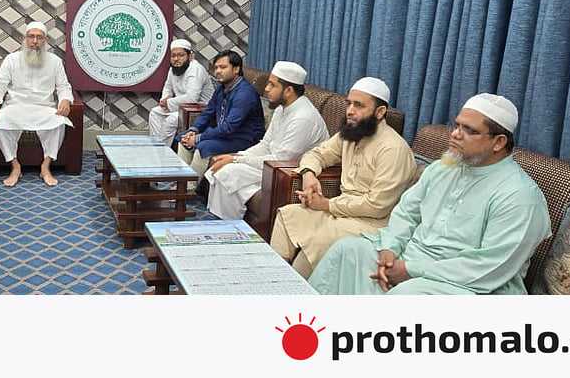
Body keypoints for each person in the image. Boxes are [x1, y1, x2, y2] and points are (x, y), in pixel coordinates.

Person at [308, 93, 550, 295]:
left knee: (406, 295)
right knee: (348, 250)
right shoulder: (444, 167)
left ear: (498, 142)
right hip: (410, 257)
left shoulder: (519, 196)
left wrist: (410, 270)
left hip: (468, 285)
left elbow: (490, 266)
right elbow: (407, 212)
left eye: (469, 130)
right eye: (457, 125)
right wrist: (390, 250)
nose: (455, 134)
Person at [268, 77, 417, 276]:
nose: (350, 111)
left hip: (371, 224)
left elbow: (377, 206)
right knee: (287, 215)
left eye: (359, 105)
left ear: (380, 112)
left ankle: (294, 289)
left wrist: (326, 205)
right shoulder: (351, 133)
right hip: (340, 212)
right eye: (349, 104)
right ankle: (273, 277)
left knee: (315, 245)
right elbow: (316, 154)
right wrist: (308, 174)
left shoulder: (393, 149)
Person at [205, 61, 328, 220]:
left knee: (229, 173)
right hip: (271, 165)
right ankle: (223, 223)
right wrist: (237, 156)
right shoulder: (281, 109)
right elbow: (265, 144)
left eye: (272, 85)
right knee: (225, 170)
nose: (266, 89)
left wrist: (235, 160)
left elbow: (281, 160)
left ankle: (228, 225)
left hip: (288, 173)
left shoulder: (303, 118)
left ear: (288, 90)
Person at [0, 22, 74, 187]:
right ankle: (15, 166)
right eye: (31, 36)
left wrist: (65, 99)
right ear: (25, 39)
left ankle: (45, 167)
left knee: (59, 122)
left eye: (39, 37)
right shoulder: (11, 59)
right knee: (0, 121)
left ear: (45, 40)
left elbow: (63, 86)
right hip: (15, 107)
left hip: (44, 107)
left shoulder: (55, 61)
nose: (35, 41)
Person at [177, 50, 265, 178]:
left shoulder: (245, 94)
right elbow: (208, 112)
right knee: (183, 139)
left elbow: (229, 127)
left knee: (204, 146)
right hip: (225, 136)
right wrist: (193, 130)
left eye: (223, 67)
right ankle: (180, 181)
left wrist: (198, 138)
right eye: (216, 67)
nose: (218, 71)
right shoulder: (222, 88)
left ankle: (190, 186)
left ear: (236, 69)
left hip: (243, 139)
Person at [147, 39, 215, 144]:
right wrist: (164, 99)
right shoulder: (173, 69)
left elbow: (192, 98)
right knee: (155, 113)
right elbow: (168, 87)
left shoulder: (196, 70)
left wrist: (168, 102)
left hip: (199, 110)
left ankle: (163, 149)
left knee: (171, 120)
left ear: (190, 56)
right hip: (180, 107)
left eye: (181, 55)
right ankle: (155, 144)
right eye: (173, 56)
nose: (176, 59)